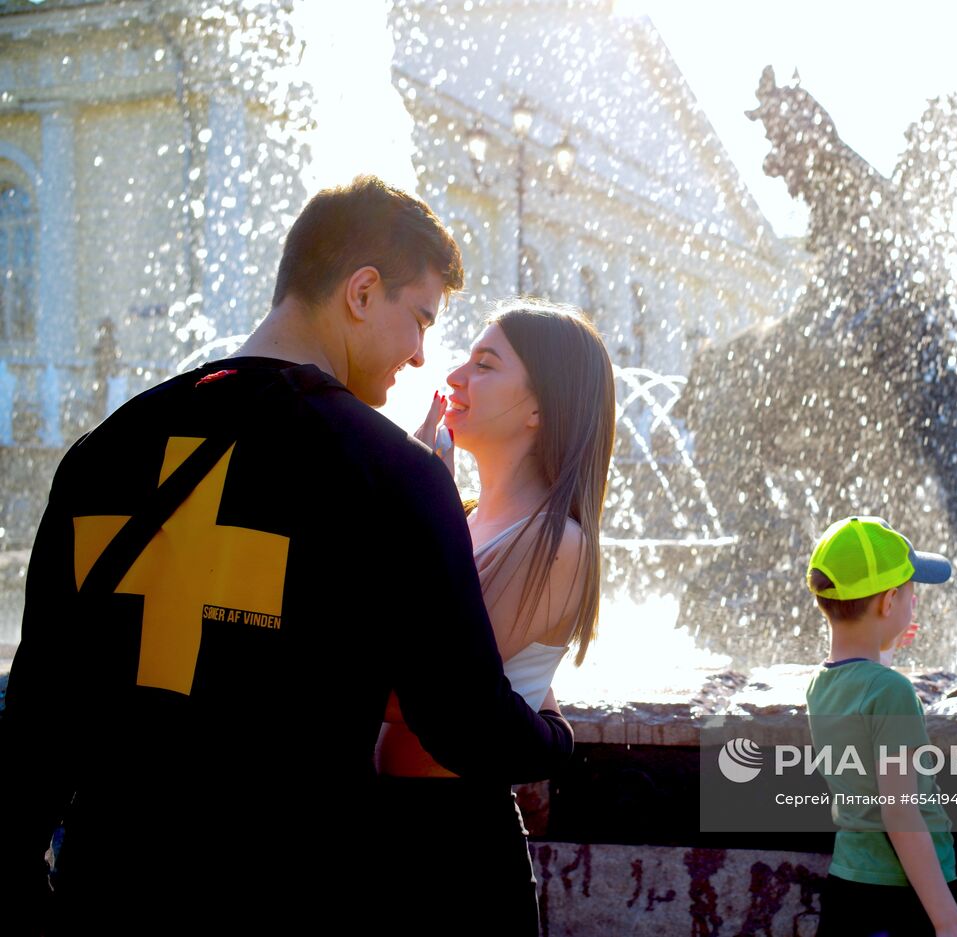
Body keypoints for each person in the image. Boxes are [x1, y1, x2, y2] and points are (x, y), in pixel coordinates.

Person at [0, 176, 573, 935]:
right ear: (362, 291)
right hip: (290, 899)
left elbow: (39, 716)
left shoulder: (106, 450)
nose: (420, 355)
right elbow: (460, 720)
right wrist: (554, 740)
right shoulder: (393, 475)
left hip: (109, 895)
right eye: (421, 318)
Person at [375, 299, 615, 929]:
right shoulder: (473, 518)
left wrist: (416, 509)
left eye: (485, 364)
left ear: (540, 408)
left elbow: (418, 692)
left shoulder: (555, 545)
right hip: (398, 825)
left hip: (449, 844)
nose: (454, 375)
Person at [804, 516, 957, 937]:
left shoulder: (821, 684)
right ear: (888, 602)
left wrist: (886, 643)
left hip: (850, 886)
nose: (915, 601)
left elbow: (865, 694)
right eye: (912, 592)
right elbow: (900, 811)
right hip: (902, 898)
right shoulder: (892, 692)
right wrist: (949, 922)